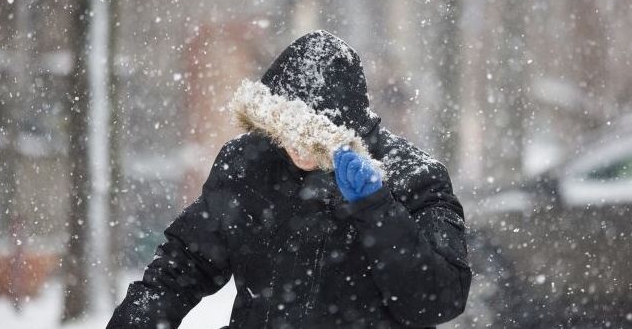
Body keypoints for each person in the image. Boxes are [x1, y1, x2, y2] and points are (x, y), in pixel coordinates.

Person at [107, 30, 471, 329]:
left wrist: (377, 210)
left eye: (311, 136)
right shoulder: (249, 165)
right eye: (284, 129)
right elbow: (182, 265)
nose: (296, 147)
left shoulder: (413, 176)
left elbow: (437, 301)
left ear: (343, 128)